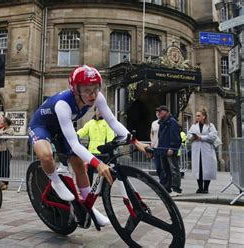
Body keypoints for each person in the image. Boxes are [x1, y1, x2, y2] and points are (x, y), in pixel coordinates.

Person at [28, 65, 150, 226]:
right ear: (75, 90)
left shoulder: (98, 97)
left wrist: (135, 141)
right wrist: (97, 163)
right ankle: (56, 181)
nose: (92, 95)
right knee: (46, 155)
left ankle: (89, 208)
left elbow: (112, 121)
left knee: (79, 164)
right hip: (41, 127)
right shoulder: (63, 104)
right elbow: (74, 143)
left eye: (95, 89)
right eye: (86, 90)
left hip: (62, 129)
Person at [76, 106, 114, 183]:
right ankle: (89, 190)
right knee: (89, 173)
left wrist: (110, 145)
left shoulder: (106, 123)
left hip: (102, 153)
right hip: (91, 153)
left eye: (101, 110)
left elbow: (110, 136)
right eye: (98, 110)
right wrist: (74, 136)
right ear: (95, 111)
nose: (99, 112)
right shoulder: (90, 123)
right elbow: (82, 131)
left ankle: (103, 191)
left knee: (103, 173)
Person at [187, 108, 218, 194]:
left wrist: (201, 137)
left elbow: (213, 136)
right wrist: (192, 137)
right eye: (196, 116)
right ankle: (200, 187)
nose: (197, 117)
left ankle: (206, 188)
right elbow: (188, 135)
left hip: (207, 150)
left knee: (207, 169)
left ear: (204, 116)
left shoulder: (210, 126)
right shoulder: (194, 126)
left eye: (198, 115)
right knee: (198, 169)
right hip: (197, 150)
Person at [156, 105, 182, 196]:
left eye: (160, 111)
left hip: (169, 149)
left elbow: (175, 136)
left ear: (166, 112)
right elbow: (160, 136)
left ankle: (176, 188)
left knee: (174, 169)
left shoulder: (172, 122)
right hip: (163, 149)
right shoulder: (162, 122)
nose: (158, 113)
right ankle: (167, 188)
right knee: (165, 170)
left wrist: (172, 147)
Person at [150, 111, 165, 185]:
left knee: (163, 166)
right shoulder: (154, 123)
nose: (157, 114)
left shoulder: (164, 122)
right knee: (157, 166)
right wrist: (152, 141)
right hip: (155, 147)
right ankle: (161, 179)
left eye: (159, 112)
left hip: (162, 147)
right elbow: (152, 133)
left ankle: (163, 182)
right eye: (156, 113)